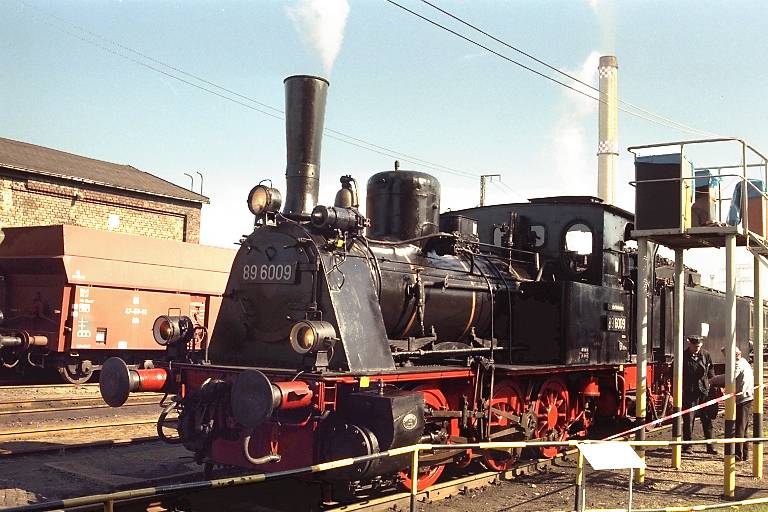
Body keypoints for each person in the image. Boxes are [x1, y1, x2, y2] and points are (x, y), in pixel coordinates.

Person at [714, 347, 754, 461]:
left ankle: (738, 454)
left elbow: (729, 377)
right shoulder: (744, 362)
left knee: (739, 428)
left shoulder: (737, 364)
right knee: (743, 428)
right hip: (746, 397)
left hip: (742, 398)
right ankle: (745, 454)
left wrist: (712, 380)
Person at [682, 335, 717, 454]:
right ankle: (687, 446)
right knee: (688, 419)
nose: (697, 348)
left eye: (699, 346)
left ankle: (710, 445)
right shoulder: (683, 356)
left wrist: (712, 382)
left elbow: (711, 369)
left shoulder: (706, 355)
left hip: (704, 391)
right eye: (695, 346)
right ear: (689, 345)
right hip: (690, 392)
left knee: (707, 419)